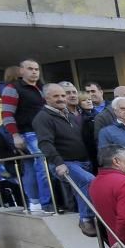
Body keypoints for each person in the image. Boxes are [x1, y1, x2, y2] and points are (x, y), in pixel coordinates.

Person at [32, 83, 98, 236]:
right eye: (56, 96)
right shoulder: (43, 118)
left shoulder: (69, 114)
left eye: (63, 95)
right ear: (46, 98)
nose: (61, 99)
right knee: (89, 181)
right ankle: (86, 219)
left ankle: (90, 216)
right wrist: (58, 163)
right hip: (66, 163)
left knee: (84, 187)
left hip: (83, 161)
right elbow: (44, 143)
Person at [0, 58, 52, 212]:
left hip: (46, 132)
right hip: (28, 133)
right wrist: (15, 135)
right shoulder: (12, 88)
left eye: (36, 69)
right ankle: (46, 203)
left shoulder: (42, 88)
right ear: (21, 71)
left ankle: (38, 201)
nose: (34, 71)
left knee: (36, 166)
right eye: (30, 68)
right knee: (43, 163)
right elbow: (7, 114)